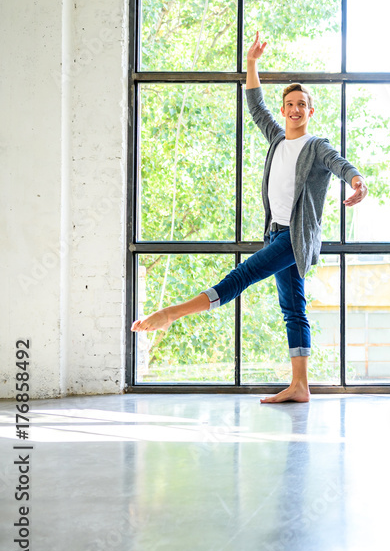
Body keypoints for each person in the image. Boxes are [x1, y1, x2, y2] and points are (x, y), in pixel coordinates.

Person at [131, 31, 367, 403]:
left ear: (310, 110)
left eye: (301, 104)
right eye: (289, 103)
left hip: (295, 238)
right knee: (293, 308)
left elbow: (340, 164)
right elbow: (256, 105)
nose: (294, 109)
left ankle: (173, 313)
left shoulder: (316, 146)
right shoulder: (276, 139)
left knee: (240, 277)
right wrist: (252, 62)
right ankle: (300, 386)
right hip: (275, 235)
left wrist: (356, 181)